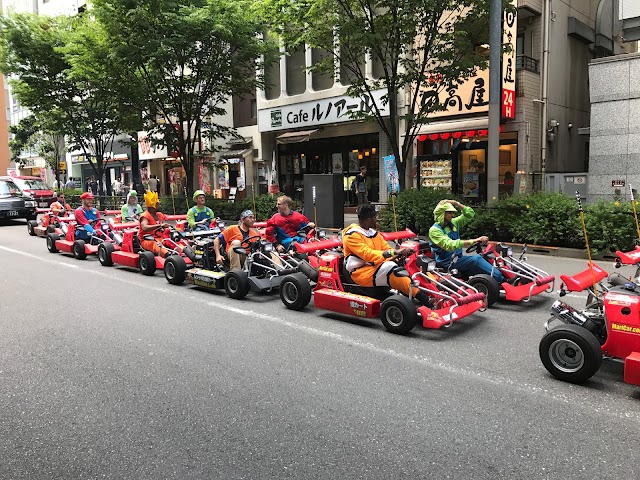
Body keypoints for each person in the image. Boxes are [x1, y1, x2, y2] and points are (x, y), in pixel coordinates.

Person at [342, 203, 431, 305]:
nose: (377, 220)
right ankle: (425, 300)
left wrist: (401, 253)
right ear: (368, 219)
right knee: (391, 268)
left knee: (405, 264)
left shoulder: (374, 234)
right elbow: (368, 254)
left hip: (374, 267)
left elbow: (386, 248)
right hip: (360, 273)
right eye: (375, 217)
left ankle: (426, 293)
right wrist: (393, 252)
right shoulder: (352, 236)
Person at [428, 199, 504, 283]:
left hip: (458, 259)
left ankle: (497, 280)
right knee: (476, 259)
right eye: (449, 212)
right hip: (448, 262)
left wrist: (456, 203)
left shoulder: (452, 223)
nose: (452, 215)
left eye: (452, 212)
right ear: (442, 213)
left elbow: (470, 214)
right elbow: (450, 245)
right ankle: (502, 279)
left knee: (485, 258)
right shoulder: (434, 230)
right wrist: (475, 240)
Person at [138, 191, 195, 259]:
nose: (160, 205)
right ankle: (169, 255)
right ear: (152, 206)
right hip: (147, 240)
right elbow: (144, 227)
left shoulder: (159, 215)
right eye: (158, 204)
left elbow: (167, 221)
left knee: (172, 239)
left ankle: (186, 250)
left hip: (161, 237)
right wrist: (160, 226)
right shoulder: (145, 216)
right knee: (156, 244)